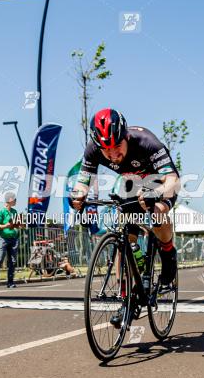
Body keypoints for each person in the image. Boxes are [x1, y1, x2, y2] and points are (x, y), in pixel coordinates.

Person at [70, 108, 180, 327]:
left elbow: (172, 180)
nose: (112, 155)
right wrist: (78, 193)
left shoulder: (146, 142)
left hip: (159, 181)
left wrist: (156, 195)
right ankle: (128, 299)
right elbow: (83, 180)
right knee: (125, 242)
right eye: (106, 150)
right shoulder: (93, 150)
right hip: (131, 182)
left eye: (117, 147)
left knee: (157, 213)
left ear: (126, 136)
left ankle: (168, 253)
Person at [0, 192, 22, 288]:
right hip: (2, 238)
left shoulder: (14, 212)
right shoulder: (0, 211)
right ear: (10, 200)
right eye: (15, 199)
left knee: (13, 261)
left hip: (13, 238)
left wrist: (18, 225)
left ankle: (10, 282)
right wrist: (5, 226)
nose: (16, 201)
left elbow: (15, 224)